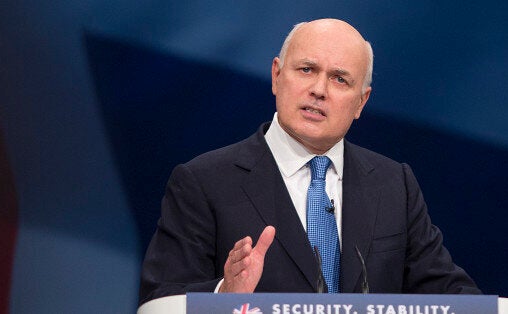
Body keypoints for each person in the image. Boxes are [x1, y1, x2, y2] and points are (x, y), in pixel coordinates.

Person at [139, 18, 480, 305]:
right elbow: (160, 300)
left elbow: (448, 291)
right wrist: (223, 295)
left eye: (339, 79)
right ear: (276, 75)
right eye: (307, 69)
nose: (319, 89)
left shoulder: (394, 184)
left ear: (361, 102)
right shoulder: (204, 182)